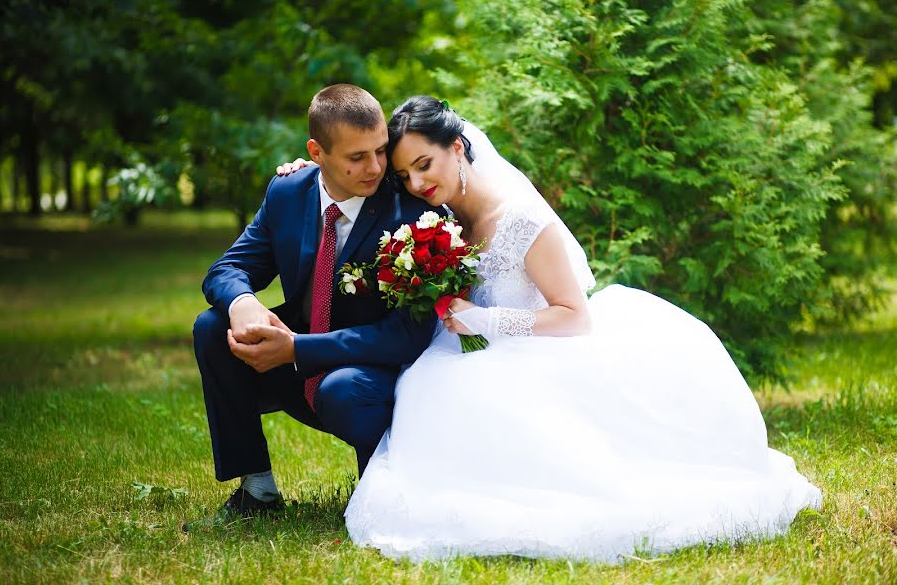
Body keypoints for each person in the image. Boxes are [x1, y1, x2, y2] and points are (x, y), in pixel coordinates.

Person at [280, 95, 822, 562]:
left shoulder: (520, 219)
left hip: (542, 348)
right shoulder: (438, 218)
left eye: (425, 165)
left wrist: (488, 320)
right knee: (432, 389)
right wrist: (300, 171)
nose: (417, 183)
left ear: (459, 148)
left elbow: (574, 315)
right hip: (467, 351)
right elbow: (349, 171)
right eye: (405, 176)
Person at [186, 85, 439, 530]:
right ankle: (257, 490)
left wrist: (298, 349)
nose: (376, 167)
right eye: (356, 157)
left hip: (366, 373)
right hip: (294, 365)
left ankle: (376, 491)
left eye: (380, 151)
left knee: (343, 389)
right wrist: (243, 303)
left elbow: (408, 335)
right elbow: (227, 268)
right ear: (316, 152)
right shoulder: (288, 191)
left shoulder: (410, 212)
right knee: (213, 327)